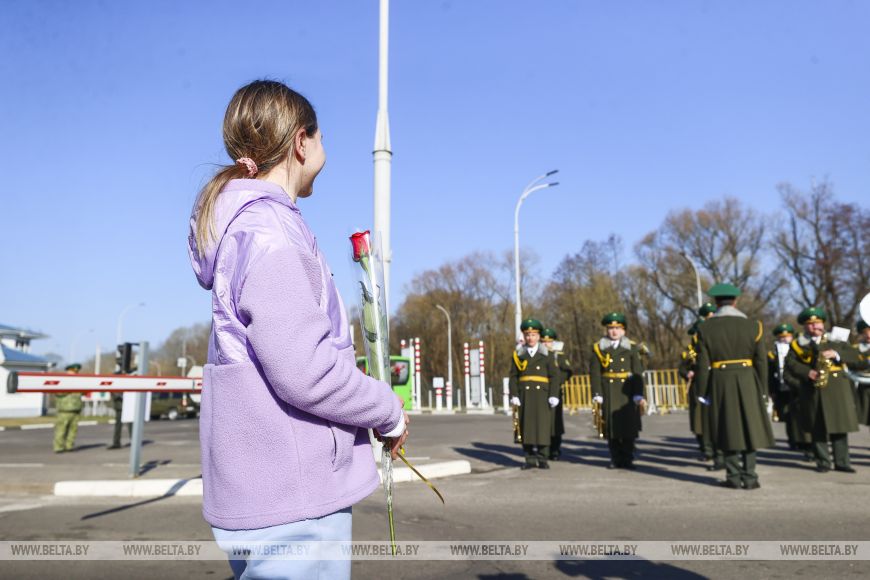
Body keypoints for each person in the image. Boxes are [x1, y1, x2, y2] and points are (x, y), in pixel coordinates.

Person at [187, 80, 408, 580]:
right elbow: (305, 370)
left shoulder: (242, 229)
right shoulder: (271, 236)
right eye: (322, 137)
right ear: (300, 143)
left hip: (261, 488)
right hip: (293, 493)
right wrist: (386, 410)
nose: (325, 150)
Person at [694, 283, 774, 490]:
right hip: (748, 379)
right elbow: (761, 361)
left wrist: (702, 392)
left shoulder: (705, 328)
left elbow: (702, 365)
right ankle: (750, 476)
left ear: (716, 302)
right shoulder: (754, 326)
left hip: (720, 380)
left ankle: (733, 476)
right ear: (736, 301)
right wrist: (763, 389)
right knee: (750, 428)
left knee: (726, 427)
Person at [784, 307, 861, 473]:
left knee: (839, 426)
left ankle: (842, 462)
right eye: (810, 324)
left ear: (822, 323)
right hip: (812, 389)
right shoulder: (798, 344)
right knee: (817, 427)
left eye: (817, 323)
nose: (814, 327)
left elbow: (855, 357)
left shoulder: (837, 339)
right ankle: (823, 461)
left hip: (836, 388)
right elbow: (790, 364)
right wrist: (807, 372)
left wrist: (836, 353)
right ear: (804, 327)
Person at [589, 312, 646, 470]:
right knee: (612, 428)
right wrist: (597, 393)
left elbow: (637, 372)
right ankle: (615, 458)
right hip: (608, 390)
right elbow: (595, 374)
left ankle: (628, 458)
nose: (614, 331)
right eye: (611, 328)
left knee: (628, 427)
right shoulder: (599, 348)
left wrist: (638, 393)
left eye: (618, 328)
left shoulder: (631, 347)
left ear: (624, 331)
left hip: (626, 392)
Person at [509, 319, 560, 469]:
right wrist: (514, 395)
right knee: (527, 427)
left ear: (539, 336)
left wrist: (553, 394)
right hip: (525, 395)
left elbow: (554, 376)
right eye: (527, 334)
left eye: (533, 334)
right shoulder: (518, 354)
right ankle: (529, 459)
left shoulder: (547, 354)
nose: (530, 338)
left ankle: (543, 458)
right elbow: (513, 376)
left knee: (543, 427)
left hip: (542, 395)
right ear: (524, 336)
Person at [767, 323, 810, 458]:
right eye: (782, 337)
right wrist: (771, 390)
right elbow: (770, 374)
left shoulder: (799, 349)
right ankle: (792, 440)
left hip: (798, 387)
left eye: (788, 336)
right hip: (782, 389)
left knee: (801, 415)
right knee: (788, 416)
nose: (785, 339)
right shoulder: (772, 354)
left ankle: (805, 443)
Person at [541, 327, 573, 460]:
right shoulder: (538, 354)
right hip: (541, 391)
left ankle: (555, 448)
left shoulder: (558, 355)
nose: (546, 344)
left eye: (548, 341)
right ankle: (544, 448)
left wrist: (557, 382)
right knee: (543, 421)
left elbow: (567, 371)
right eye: (543, 341)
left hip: (555, 391)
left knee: (555, 422)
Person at [53, 364, 83, 453]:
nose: (74, 374)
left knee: (73, 430)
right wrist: (70, 387)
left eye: (76, 372)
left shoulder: (78, 382)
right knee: (61, 430)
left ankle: (69, 445)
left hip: (76, 409)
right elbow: (58, 392)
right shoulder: (62, 381)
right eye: (73, 372)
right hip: (64, 410)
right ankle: (58, 447)